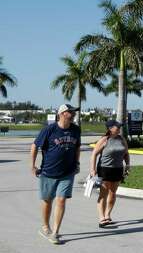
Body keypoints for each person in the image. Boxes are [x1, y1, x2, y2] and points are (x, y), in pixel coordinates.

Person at [30, 104, 81, 245]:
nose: (74, 114)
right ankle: (45, 226)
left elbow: (77, 147)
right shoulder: (49, 130)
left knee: (61, 200)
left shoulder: (76, 129)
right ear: (63, 113)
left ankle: (55, 232)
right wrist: (32, 165)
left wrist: (77, 163)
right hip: (48, 171)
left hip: (68, 172)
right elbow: (35, 146)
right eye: (71, 112)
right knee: (47, 200)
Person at [90, 120, 130, 227]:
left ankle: (108, 215)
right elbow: (94, 154)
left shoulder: (122, 139)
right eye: (117, 127)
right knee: (104, 193)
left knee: (113, 193)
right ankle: (101, 217)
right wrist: (92, 169)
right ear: (110, 128)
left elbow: (126, 153)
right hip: (104, 169)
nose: (119, 128)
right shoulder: (104, 140)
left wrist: (128, 165)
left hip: (117, 169)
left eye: (119, 127)